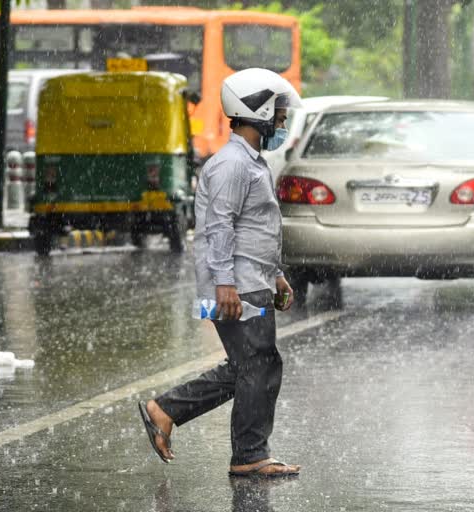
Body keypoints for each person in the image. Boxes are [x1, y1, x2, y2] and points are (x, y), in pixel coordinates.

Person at [138, 68, 302, 478]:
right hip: (236, 286)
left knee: (252, 366)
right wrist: (226, 283)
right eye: (278, 115)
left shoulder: (249, 162)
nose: (281, 122)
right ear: (258, 110)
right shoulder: (231, 164)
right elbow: (220, 227)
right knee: (257, 365)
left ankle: (167, 411)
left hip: (250, 281)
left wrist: (276, 276)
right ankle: (248, 453)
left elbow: (255, 229)